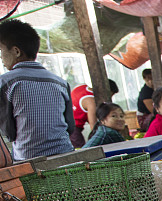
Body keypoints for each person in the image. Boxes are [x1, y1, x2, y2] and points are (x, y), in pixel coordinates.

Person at [0, 20, 73, 161]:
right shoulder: (61, 82)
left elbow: (9, 133)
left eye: (1, 50)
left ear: (16, 51)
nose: (1, 57)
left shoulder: (5, 83)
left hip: (29, 160)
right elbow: (70, 127)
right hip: (66, 155)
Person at [70, 79, 119, 148]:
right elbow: (93, 126)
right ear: (106, 91)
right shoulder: (91, 102)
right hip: (73, 128)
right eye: (110, 95)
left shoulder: (81, 87)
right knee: (82, 150)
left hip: (65, 122)